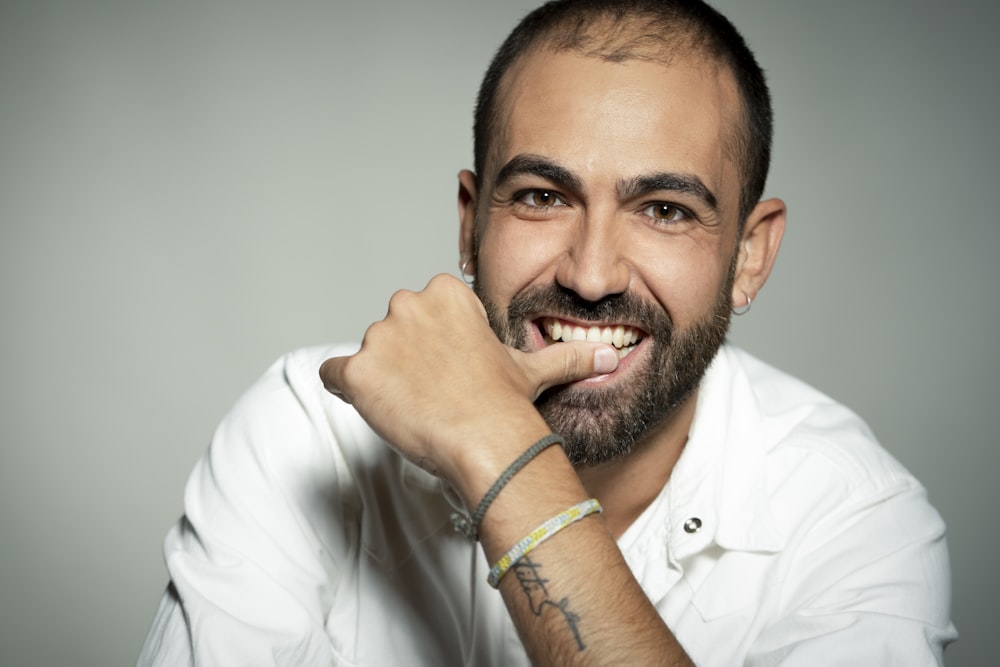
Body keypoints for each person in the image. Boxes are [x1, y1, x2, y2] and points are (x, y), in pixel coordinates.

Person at [138, 1, 956, 664]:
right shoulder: (304, 431)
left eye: (665, 210)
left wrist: (499, 449)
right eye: (540, 195)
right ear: (470, 224)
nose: (592, 274)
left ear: (749, 255)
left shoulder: (856, 521)